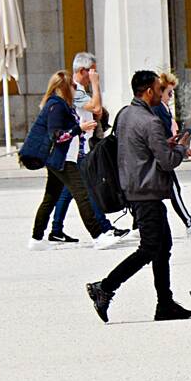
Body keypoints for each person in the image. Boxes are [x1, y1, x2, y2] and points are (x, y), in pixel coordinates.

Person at [85, 70, 191, 323]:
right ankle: (105, 287)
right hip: (147, 191)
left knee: (162, 246)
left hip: (132, 188)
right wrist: (180, 147)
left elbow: (139, 147)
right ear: (148, 91)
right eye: (158, 88)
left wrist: (166, 143)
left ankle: (164, 303)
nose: (160, 92)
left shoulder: (125, 114)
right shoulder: (150, 121)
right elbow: (166, 162)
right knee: (150, 247)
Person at [50, 53, 129, 248]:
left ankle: (56, 230)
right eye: (92, 70)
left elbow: (99, 112)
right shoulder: (74, 91)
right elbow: (96, 106)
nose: (95, 73)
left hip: (81, 146)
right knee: (86, 189)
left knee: (69, 191)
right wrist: (96, 84)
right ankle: (105, 228)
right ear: (82, 71)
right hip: (76, 149)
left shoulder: (81, 91)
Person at [28, 71, 107, 252]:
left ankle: (37, 238)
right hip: (62, 158)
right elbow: (57, 135)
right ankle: (98, 236)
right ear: (65, 88)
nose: (74, 88)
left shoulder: (58, 105)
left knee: (50, 197)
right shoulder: (57, 106)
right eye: (72, 86)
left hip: (59, 157)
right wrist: (78, 129)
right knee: (82, 195)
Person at [156, 70, 191, 237]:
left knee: (168, 190)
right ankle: (189, 222)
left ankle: (188, 222)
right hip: (163, 155)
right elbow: (164, 133)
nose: (170, 97)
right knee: (173, 189)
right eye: (168, 93)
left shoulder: (162, 108)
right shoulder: (159, 109)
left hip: (163, 153)